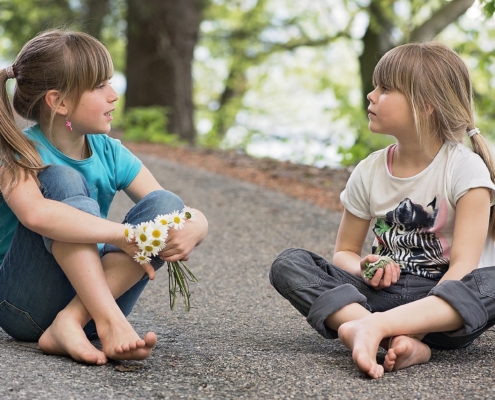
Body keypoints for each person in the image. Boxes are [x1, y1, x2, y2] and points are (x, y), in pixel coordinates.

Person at [269, 42, 495, 379]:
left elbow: (462, 268)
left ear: (426, 104)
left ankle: (369, 329)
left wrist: (414, 327)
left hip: (440, 312)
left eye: (385, 89)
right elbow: (344, 251)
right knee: (289, 264)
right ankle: (375, 332)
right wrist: (363, 268)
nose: (371, 96)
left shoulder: (465, 170)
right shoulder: (369, 170)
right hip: (375, 296)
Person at [0, 30, 208, 365]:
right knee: (61, 178)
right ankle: (106, 322)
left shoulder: (109, 152)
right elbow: (36, 215)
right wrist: (123, 234)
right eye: (100, 86)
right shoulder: (17, 154)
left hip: (96, 304)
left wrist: (198, 224)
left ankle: (72, 321)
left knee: (165, 205)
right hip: (24, 305)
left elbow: (171, 209)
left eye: (110, 83)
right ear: (60, 102)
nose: (114, 95)